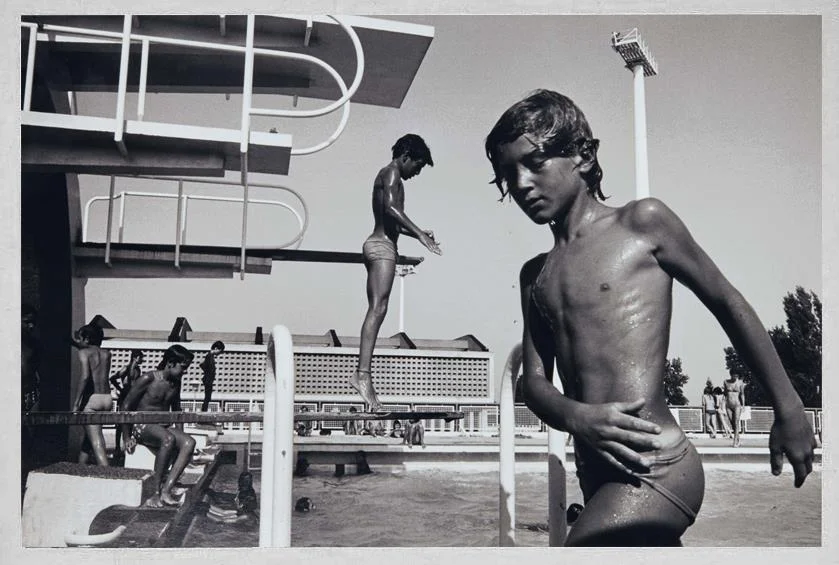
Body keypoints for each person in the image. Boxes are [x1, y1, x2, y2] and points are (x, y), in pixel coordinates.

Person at [484, 89, 816, 546]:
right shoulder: (534, 276)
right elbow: (535, 383)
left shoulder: (642, 223)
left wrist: (789, 406)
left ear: (582, 155)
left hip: (655, 464)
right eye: (507, 174)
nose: (521, 183)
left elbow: (727, 302)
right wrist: (576, 417)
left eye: (534, 163)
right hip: (597, 475)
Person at [352, 134, 442, 411]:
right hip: (381, 247)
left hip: (380, 243)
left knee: (378, 308)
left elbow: (391, 217)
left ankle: (364, 376)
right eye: (417, 165)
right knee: (378, 309)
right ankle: (362, 376)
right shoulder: (392, 174)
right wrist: (420, 235)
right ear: (406, 156)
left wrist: (417, 234)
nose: (416, 172)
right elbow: (391, 209)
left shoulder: (389, 176)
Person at [121, 344, 196, 508]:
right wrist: (126, 437)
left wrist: (181, 437)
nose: (185, 372)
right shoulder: (148, 379)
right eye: (183, 368)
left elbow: (177, 411)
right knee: (168, 439)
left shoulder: (176, 383)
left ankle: (166, 490)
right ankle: (154, 493)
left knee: (189, 443)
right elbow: (125, 406)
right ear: (170, 362)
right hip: (142, 426)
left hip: (163, 427)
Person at [72, 324, 113, 467]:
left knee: (97, 443)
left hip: (93, 399)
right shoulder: (107, 354)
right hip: (107, 398)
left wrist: (76, 403)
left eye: (81, 337)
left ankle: (109, 477)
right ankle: (80, 470)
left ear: (87, 338)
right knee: (88, 441)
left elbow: (85, 377)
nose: (79, 341)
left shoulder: (84, 353)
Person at [110, 349, 145, 456]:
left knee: (130, 422)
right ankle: (117, 447)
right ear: (135, 358)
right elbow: (112, 378)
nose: (142, 360)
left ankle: (127, 445)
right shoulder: (126, 368)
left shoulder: (138, 370)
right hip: (125, 395)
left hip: (133, 397)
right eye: (141, 358)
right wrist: (120, 389)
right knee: (121, 422)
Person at [200, 341, 225, 412]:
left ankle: (204, 410)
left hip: (208, 379)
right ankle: (204, 411)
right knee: (207, 397)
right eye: (220, 351)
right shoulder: (209, 356)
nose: (219, 353)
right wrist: (208, 372)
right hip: (208, 379)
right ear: (216, 348)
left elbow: (202, 364)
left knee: (208, 397)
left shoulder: (210, 356)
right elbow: (202, 364)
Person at [724, 375, 746, 447]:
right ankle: (738, 439)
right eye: (734, 375)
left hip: (737, 404)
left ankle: (735, 442)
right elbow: (725, 393)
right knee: (732, 423)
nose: (735, 377)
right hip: (728, 405)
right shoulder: (726, 382)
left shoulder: (740, 383)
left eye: (736, 376)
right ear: (731, 375)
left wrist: (743, 405)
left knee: (736, 422)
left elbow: (742, 394)